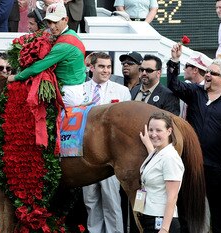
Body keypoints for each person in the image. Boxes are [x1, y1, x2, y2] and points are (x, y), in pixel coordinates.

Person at [167, 43, 221, 233]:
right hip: (189, 162)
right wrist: (174, 61)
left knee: (218, 212)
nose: (207, 75)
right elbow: (174, 85)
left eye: (212, 73)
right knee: (184, 206)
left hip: (216, 166)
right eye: (207, 72)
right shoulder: (195, 92)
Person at [82, 52, 130, 233]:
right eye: (102, 66)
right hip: (86, 155)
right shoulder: (80, 89)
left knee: (111, 200)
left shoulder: (122, 91)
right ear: (91, 67)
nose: (106, 70)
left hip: (111, 155)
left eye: (109, 67)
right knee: (91, 201)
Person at [8, 2, 86, 107]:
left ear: (65, 19)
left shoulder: (64, 44)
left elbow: (38, 67)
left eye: (55, 22)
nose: (52, 27)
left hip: (69, 92)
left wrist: (16, 77)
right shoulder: (71, 33)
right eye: (49, 22)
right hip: (75, 88)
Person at [138, 112, 184, 233]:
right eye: (151, 130)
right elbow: (156, 162)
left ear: (169, 131)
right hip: (150, 217)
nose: (153, 134)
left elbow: (172, 196)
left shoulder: (170, 158)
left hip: (161, 221)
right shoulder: (157, 153)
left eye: (158, 130)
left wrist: (164, 228)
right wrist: (148, 144)